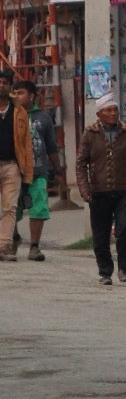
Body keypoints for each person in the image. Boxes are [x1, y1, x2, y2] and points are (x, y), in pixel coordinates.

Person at [75, 93, 126, 287]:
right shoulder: (90, 133)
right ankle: (105, 271)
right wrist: (84, 188)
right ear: (99, 114)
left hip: (123, 190)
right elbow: (81, 164)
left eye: (115, 110)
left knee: (124, 229)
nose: (113, 114)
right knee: (100, 234)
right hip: (99, 191)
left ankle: (124, 267)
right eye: (108, 110)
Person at [12, 76, 58, 261]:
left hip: (38, 171)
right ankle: (12, 237)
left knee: (38, 208)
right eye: (15, 93)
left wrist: (58, 170)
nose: (17, 96)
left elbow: (52, 146)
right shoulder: (10, 116)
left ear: (32, 96)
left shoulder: (43, 118)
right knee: (12, 209)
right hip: (14, 171)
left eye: (21, 93)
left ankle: (34, 247)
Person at [0, 67, 34, 265]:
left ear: (10, 86)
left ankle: (4, 246)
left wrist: (27, 170)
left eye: (5, 83)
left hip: (13, 165)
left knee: (10, 207)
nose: (1, 86)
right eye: (0, 82)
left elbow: (26, 143)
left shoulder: (19, 111)